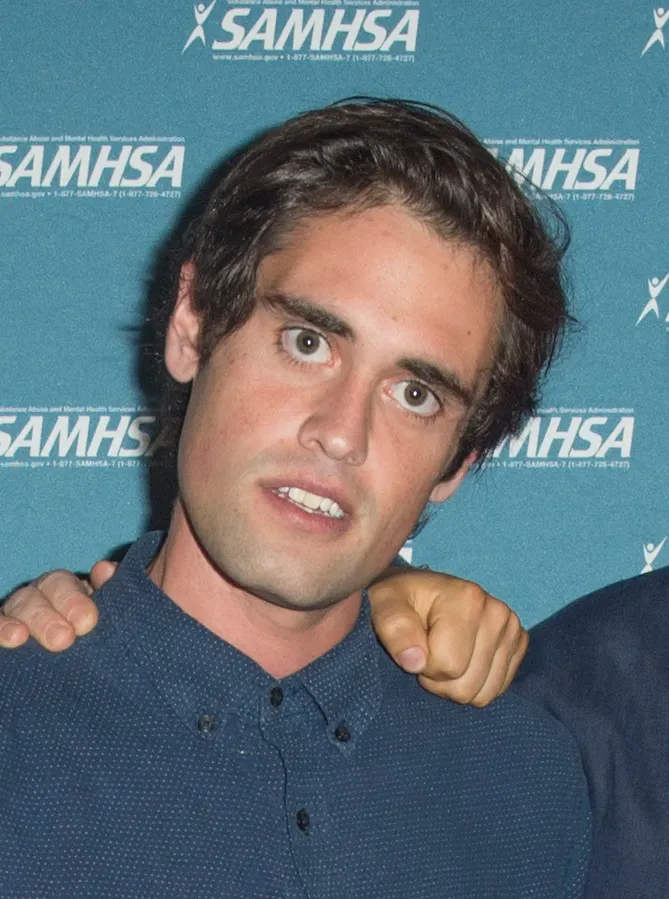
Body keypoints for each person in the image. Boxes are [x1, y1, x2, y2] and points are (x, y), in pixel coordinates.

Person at [0, 98, 589, 898]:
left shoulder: (524, 785)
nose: (341, 433)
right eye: (307, 342)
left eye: (414, 393)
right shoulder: (19, 733)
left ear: (458, 460)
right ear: (192, 324)